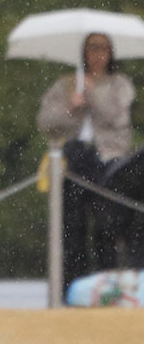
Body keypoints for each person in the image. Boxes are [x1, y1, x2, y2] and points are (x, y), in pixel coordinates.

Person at [37, 32, 135, 299]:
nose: (97, 54)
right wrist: (71, 106)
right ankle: (71, 289)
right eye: (92, 48)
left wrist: (92, 93)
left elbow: (117, 116)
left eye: (103, 48)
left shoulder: (120, 84)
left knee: (106, 228)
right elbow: (46, 122)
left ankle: (107, 290)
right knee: (72, 228)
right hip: (74, 158)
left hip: (109, 160)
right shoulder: (66, 84)